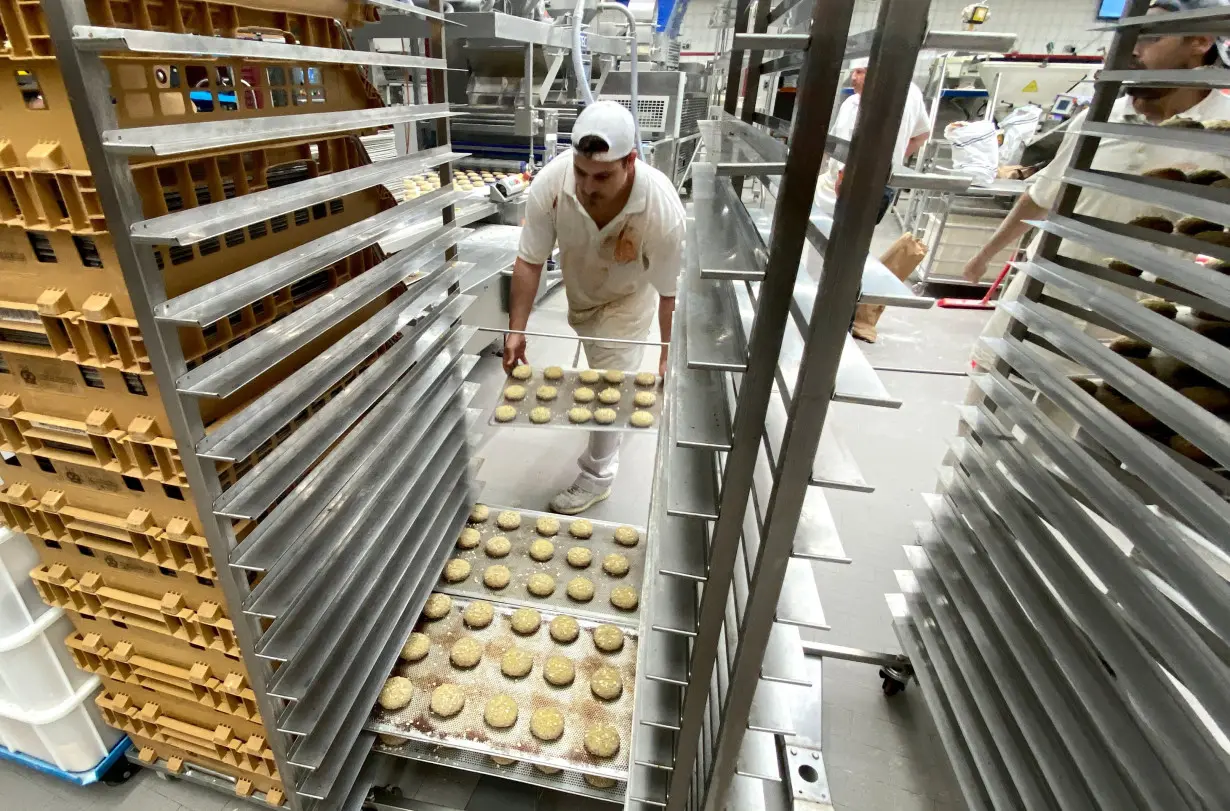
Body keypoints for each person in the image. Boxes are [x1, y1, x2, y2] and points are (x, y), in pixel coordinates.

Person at [961, 0, 1230, 364]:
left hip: (1129, 316)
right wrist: (985, 255)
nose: (1132, 50)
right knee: (988, 385)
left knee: (1077, 409)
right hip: (1044, 289)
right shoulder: (1098, 119)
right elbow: (1043, 195)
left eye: (1150, 38)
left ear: (1200, 41)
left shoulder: (1221, 132)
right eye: (1127, 37)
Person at [506, 100, 686, 515]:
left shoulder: (660, 209)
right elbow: (530, 260)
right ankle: (608, 430)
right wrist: (516, 328)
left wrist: (667, 355)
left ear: (631, 161)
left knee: (610, 383)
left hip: (627, 297)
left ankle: (597, 474)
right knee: (598, 379)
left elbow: (670, 292)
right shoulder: (553, 184)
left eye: (603, 176)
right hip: (581, 292)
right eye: (582, 173)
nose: (588, 186)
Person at [816, 56, 932, 221]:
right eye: (853, 72)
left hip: (855, 188)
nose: (853, 78)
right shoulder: (851, 103)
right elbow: (921, 136)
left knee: (844, 236)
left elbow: (920, 137)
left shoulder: (897, 97)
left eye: (860, 72)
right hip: (837, 185)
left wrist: (884, 164)